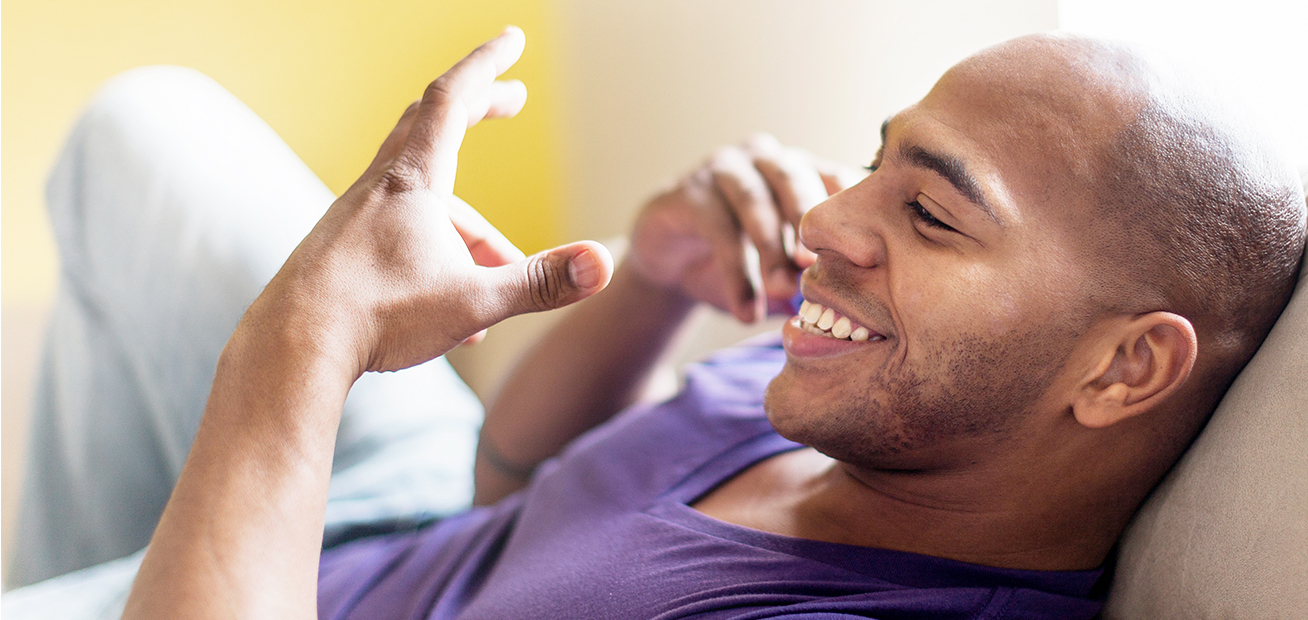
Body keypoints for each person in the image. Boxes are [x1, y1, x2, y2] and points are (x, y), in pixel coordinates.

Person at [6, 25, 1306, 620]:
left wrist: (298, 344)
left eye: (933, 216)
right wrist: (658, 274)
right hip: (420, 532)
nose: (829, 224)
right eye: (875, 159)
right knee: (145, 125)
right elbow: (511, 488)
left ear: (1124, 366)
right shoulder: (877, 400)